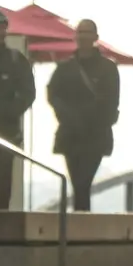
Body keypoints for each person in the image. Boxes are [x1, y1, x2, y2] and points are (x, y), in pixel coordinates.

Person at [47, 15, 120, 210]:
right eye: (80, 32)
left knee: (83, 182)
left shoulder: (108, 68)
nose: (83, 36)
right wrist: (66, 115)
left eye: (87, 32)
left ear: (96, 37)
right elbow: (52, 94)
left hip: (95, 134)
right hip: (70, 133)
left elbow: (112, 100)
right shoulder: (65, 68)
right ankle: (80, 218)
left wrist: (93, 118)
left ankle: (79, 219)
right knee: (78, 183)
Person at [0, 6, 38, 211]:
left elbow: (28, 93)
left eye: (4, 27)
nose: (2, 32)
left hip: (5, 136)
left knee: (1, 192)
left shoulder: (15, 60)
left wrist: (7, 113)